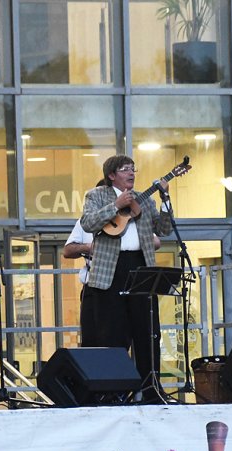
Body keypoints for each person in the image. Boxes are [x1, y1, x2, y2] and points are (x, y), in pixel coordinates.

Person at [79, 155, 173, 401]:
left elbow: (164, 229)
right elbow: (88, 223)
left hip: (141, 266)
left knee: (148, 330)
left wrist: (165, 199)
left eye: (133, 169)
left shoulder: (145, 198)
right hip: (111, 269)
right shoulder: (96, 195)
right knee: (111, 333)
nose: (131, 173)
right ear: (112, 174)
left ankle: (150, 389)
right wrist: (116, 205)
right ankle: (113, 391)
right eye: (125, 169)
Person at [63, 179, 162, 346]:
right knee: (97, 338)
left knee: (139, 334)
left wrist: (130, 244)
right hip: (95, 285)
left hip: (126, 278)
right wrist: (91, 247)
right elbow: (67, 250)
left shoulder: (127, 217)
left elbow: (157, 241)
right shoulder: (85, 222)